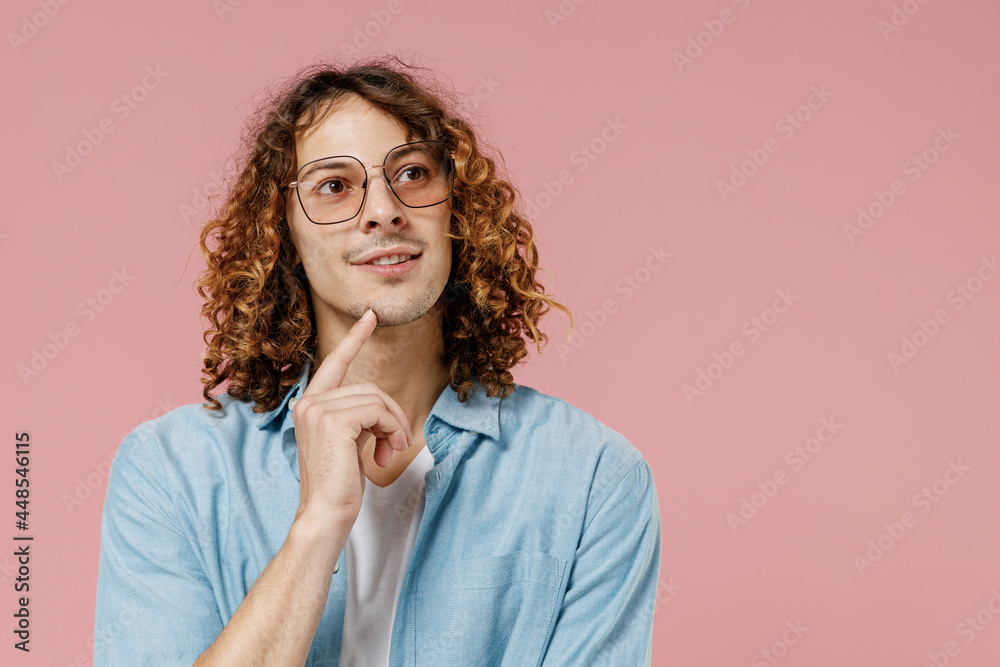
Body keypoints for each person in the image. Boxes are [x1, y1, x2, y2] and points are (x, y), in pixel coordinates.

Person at [94, 55, 661, 666]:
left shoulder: (592, 478)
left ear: (458, 211)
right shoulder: (173, 471)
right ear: (281, 231)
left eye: (413, 173)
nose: (384, 210)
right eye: (334, 186)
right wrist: (317, 526)